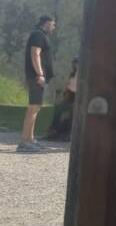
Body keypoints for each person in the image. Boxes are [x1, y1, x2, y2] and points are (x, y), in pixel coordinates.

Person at [19, 15, 56, 153]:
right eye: (53, 24)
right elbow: (35, 54)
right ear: (47, 23)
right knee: (33, 108)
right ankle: (24, 142)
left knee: (36, 107)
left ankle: (30, 139)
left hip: (38, 77)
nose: (54, 27)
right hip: (36, 77)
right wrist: (40, 74)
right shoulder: (38, 35)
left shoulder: (40, 35)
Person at [44, 59, 79, 141]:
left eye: (78, 63)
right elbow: (69, 87)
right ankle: (53, 131)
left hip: (79, 99)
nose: (76, 65)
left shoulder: (84, 75)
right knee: (58, 108)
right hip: (70, 97)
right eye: (75, 63)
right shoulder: (72, 74)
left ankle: (69, 134)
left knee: (72, 110)